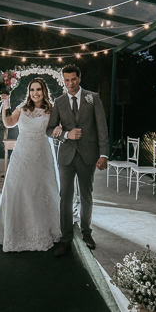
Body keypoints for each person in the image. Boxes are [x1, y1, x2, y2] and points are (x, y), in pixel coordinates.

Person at [0, 78, 63, 251]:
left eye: (38, 89)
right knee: (18, 188)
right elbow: (8, 122)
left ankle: (45, 229)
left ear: (44, 91)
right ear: (28, 92)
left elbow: (57, 128)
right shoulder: (22, 108)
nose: (35, 93)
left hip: (43, 153)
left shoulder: (51, 109)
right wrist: (6, 104)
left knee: (41, 189)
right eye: (32, 90)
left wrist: (59, 130)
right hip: (22, 153)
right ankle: (16, 230)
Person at [45, 64, 109, 257]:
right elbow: (50, 129)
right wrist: (65, 134)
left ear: (79, 79)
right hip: (66, 156)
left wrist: (103, 154)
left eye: (73, 79)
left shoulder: (93, 98)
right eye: (67, 80)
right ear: (63, 81)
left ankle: (86, 232)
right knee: (65, 197)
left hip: (88, 155)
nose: (70, 83)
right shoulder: (59, 101)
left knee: (86, 196)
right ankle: (65, 239)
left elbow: (102, 128)